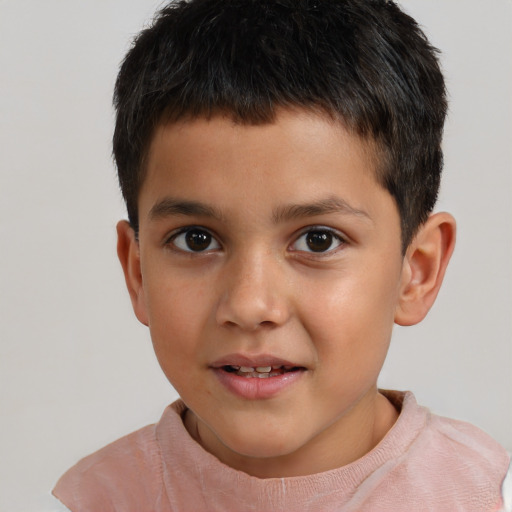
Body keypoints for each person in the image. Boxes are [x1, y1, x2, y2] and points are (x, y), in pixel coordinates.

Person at [52, 0, 511, 510]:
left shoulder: (486, 495)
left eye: (318, 240)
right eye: (196, 239)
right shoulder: (92, 501)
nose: (250, 305)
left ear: (416, 271)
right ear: (137, 272)